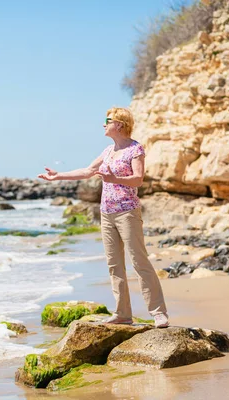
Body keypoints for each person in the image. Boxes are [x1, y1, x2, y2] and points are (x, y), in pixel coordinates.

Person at [38, 107, 169, 328]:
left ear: (119, 124)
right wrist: (58, 176)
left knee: (139, 262)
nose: (103, 124)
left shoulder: (135, 149)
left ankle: (158, 313)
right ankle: (123, 314)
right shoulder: (108, 150)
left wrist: (114, 177)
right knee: (114, 265)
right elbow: (88, 170)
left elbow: (137, 180)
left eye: (107, 121)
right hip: (106, 214)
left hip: (127, 212)